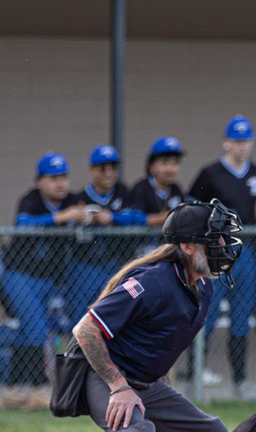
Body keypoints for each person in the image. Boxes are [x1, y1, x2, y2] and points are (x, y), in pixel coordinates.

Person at [42, 199, 242, 432]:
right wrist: (119, 387)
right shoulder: (152, 282)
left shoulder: (202, 286)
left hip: (141, 381)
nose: (225, 249)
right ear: (187, 246)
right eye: (216, 240)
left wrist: (147, 382)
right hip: (100, 374)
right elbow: (85, 329)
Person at [188, 114, 256, 401]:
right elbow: (192, 206)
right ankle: (194, 375)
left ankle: (240, 380)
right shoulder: (210, 173)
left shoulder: (255, 171)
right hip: (216, 250)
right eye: (236, 140)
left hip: (244, 250)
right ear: (225, 143)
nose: (242, 146)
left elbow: (254, 207)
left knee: (242, 318)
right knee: (207, 313)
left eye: (246, 140)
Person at [6, 153, 86, 396]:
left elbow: (90, 210)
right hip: (19, 274)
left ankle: (20, 384)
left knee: (38, 330)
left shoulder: (72, 199)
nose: (60, 183)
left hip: (50, 279)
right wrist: (62, 217)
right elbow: (23, 223)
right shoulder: (30, 199)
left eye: (63, 176)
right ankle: (33, 385)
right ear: (40, 181)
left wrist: (85, 214)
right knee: (36, 328)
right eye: (53, 178)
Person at [65, 145, 148, 322]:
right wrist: (84, 217)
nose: (108, 173)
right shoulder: (79, 197)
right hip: (84, 265)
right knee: (80, 317)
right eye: (103, 168)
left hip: (114, 264)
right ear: (92, 171)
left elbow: (139, 217)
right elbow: (68, 223)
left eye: (112, 168)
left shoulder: (124, 192)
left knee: (114, 314)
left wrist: (111, 218)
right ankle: (78, 350)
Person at [128, 136, 188, 229]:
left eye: (175, 163)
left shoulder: (176, 189)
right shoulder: (141, 188)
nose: (170, 169)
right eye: (164, 163)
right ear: (152, 167)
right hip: (144, 243)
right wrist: (169, 216)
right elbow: (136, 220)